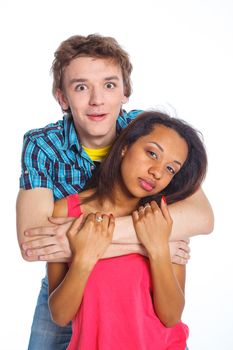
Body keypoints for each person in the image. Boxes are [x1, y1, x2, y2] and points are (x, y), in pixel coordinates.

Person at [16, 34, 214, 350]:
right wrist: (150, 240)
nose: (97, 100)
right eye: (81, 87)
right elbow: (35, 244)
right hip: (71, 280)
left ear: (125, 92)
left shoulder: (147, 131)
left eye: (109, 85)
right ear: (62, 97)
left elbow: (202, 218)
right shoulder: (43, 144)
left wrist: (93, 240)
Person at [48, 111, 207, 349]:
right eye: (152, 153)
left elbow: (171, 316)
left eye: (171, 169)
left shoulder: (164, 217)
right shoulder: (66, 211)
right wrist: (85, 258)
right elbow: (60, 316)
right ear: (125, 147)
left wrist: (157, 249)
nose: (157, 172)